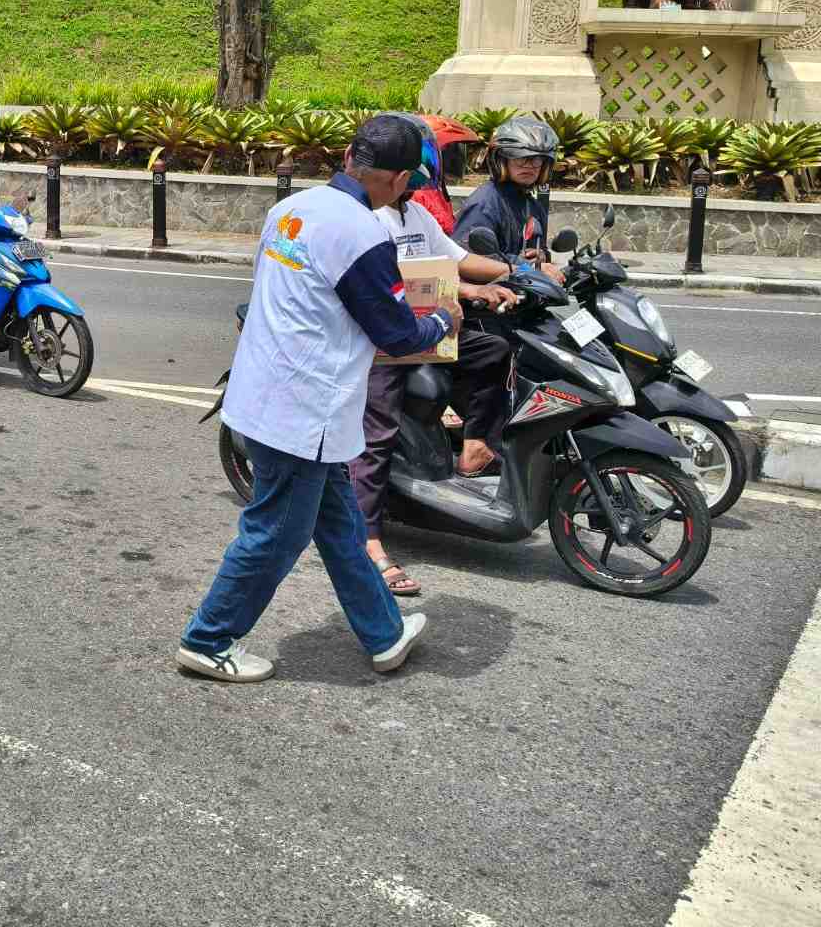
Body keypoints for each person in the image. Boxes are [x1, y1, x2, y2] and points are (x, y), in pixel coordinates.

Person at [177, 114, 461, 684]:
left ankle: (384, 636)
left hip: (267, 393)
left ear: (350, 157)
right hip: (304, 414)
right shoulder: (363, 233)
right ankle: (207, 640)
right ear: (401, 178)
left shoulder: (290, 210)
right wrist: (442, 321)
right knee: (274, 536)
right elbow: (398, 334)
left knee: (342, 527)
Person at [346, 116, 519, 597]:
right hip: (385, 342)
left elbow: (456, 257)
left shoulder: (416, 216)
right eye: (411, 181)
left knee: (494, 350)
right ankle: (370, 539)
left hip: (430, 329)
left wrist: (517, 269)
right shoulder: (370, 218)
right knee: (377, 433)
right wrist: (466, 290)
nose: (416, 188)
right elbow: (404, 277)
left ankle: (475, 445)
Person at [452, 115, 564, 284]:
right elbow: (467, 260)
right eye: (520, 158)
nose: (529, 166)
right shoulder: (485, 203)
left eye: (536, 160)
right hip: (488, 300)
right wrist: (526, 267)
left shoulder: (532, 205)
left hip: (523, 294)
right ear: (502, 161)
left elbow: (537, 253)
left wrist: (541, 255)